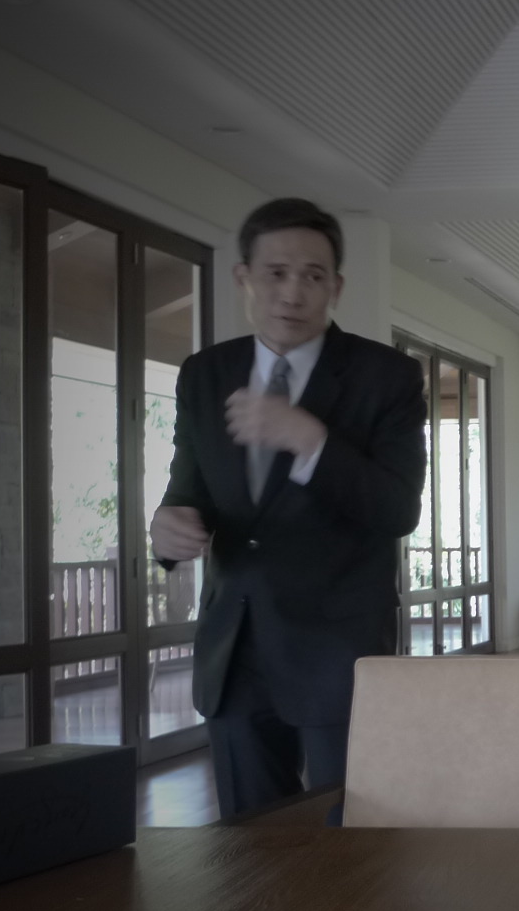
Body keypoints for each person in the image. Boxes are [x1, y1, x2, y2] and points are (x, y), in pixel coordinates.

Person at [151, 197, 427, 818]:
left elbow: (397, 510)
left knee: (350, 841)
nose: (293, 293)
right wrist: (168, 524)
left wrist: (311, 440)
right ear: (243, 277)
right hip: (234, 648)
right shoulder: (204, 373)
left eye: (313, 275)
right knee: (251, 851)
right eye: (276, 273)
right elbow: (188, 485)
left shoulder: (387, 377)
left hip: (337, 646)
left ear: (336, 286)